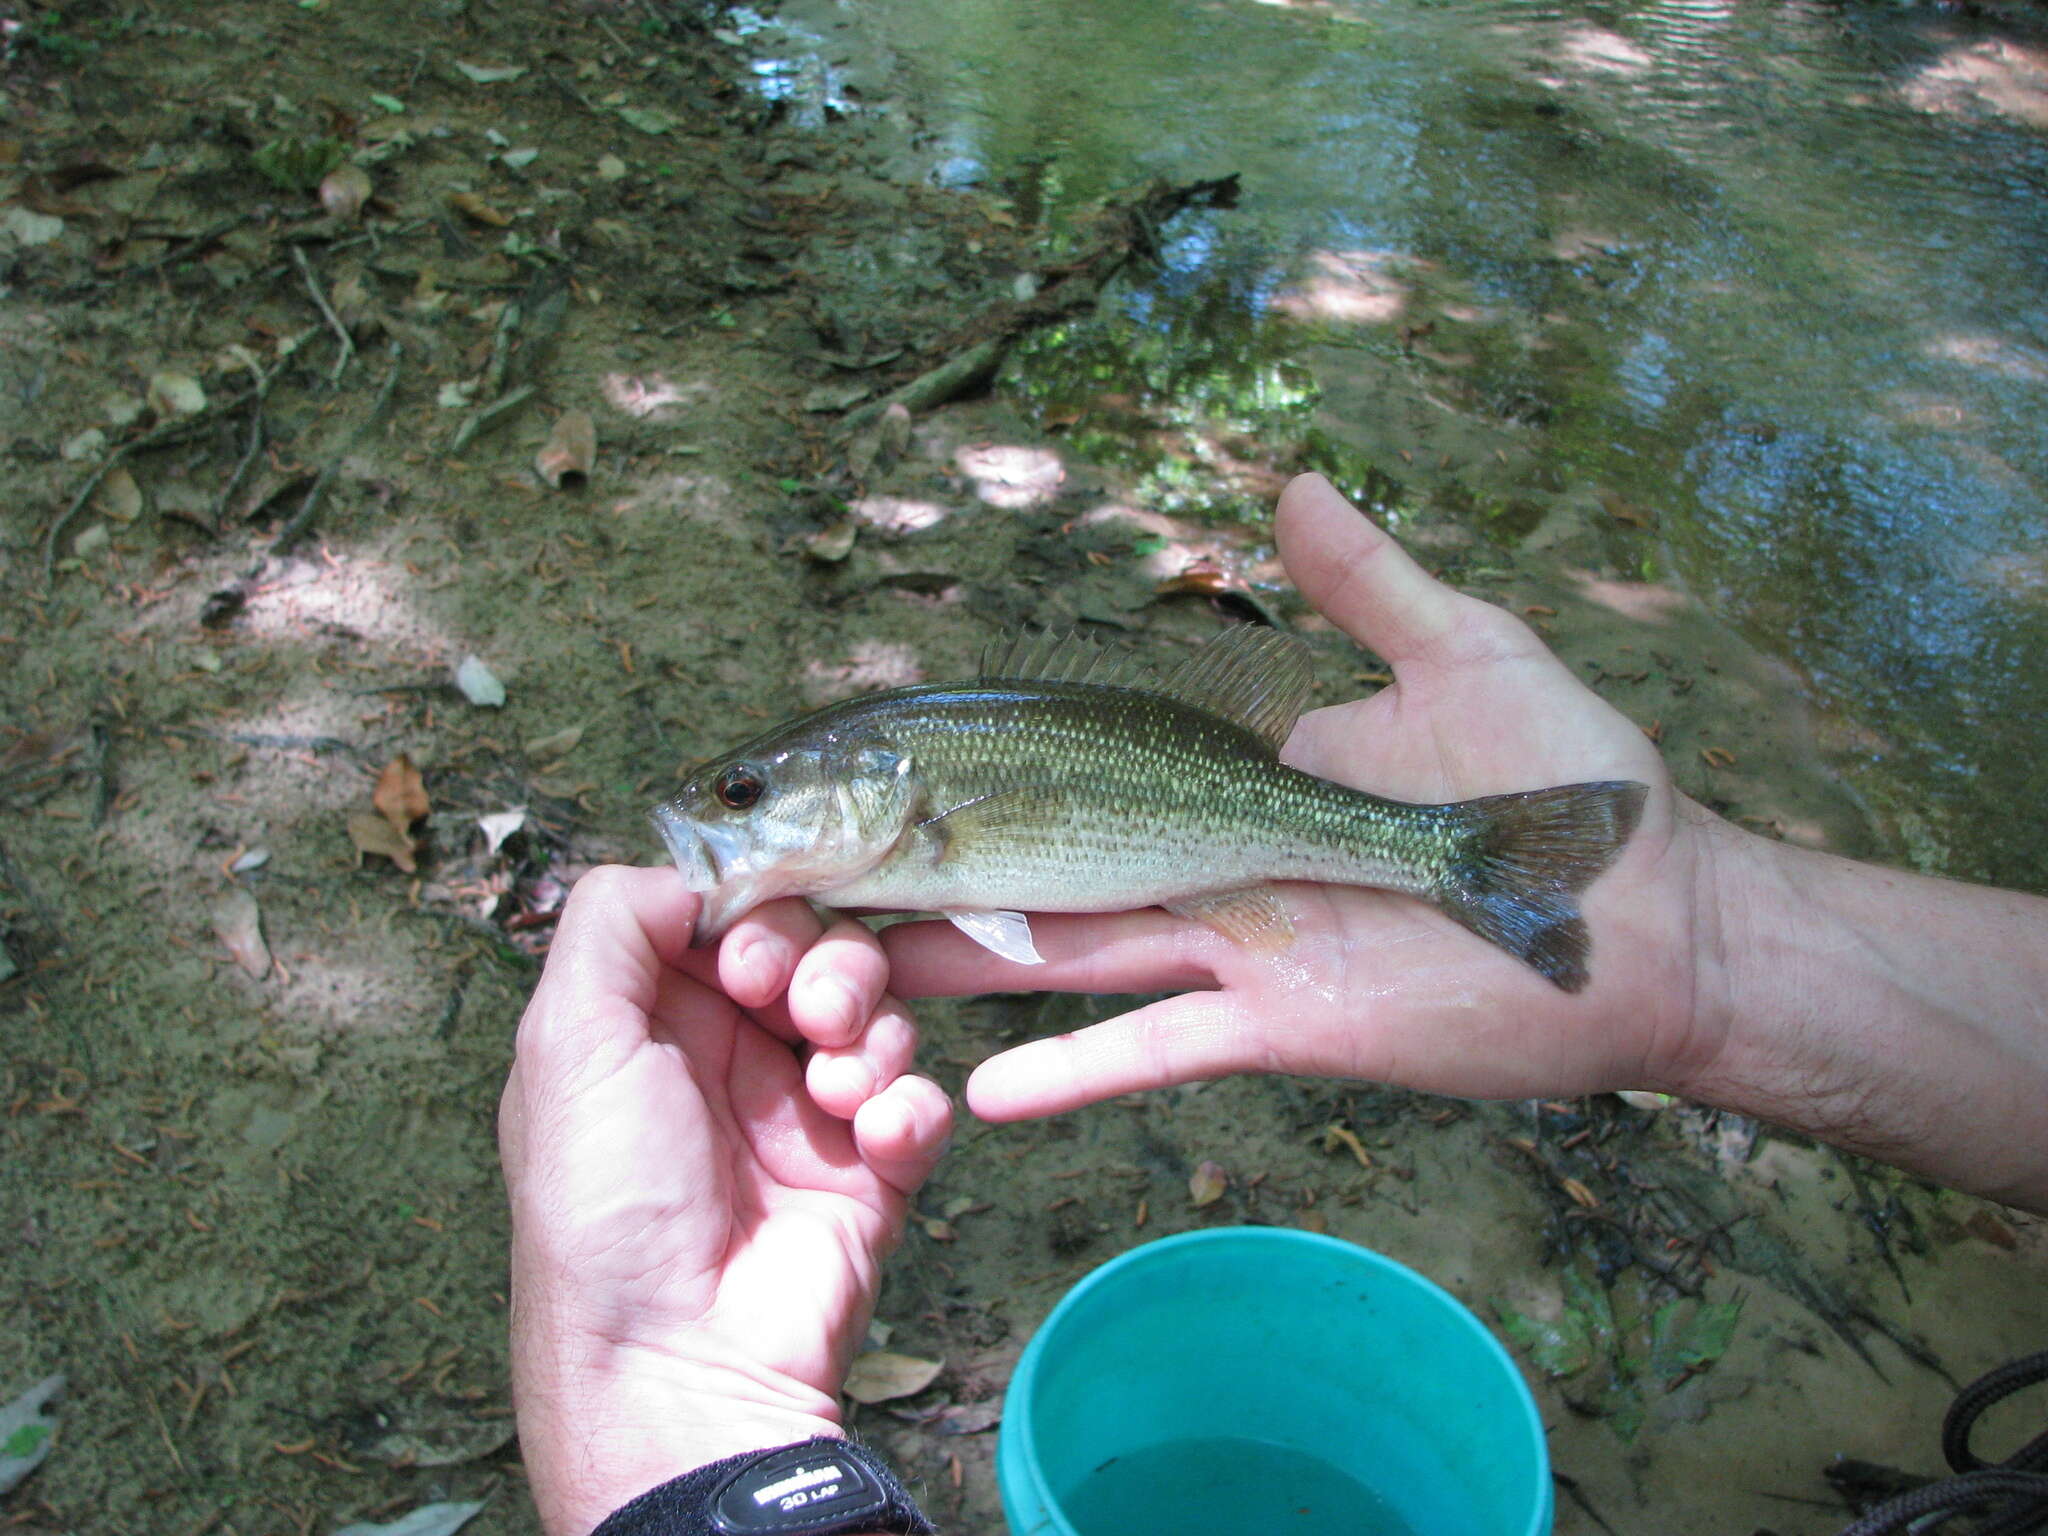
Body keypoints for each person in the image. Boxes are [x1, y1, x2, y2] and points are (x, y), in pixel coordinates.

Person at [500, 473, 2048, 1535]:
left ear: (877, 794)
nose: (723, 813)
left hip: (1251, 827)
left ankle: (1465, 863)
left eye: (753, 793)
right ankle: (1483, 872)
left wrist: (649, 1406)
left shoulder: (922, 804)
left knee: (1408, 856)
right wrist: (1707, 955)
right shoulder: (907, 828)